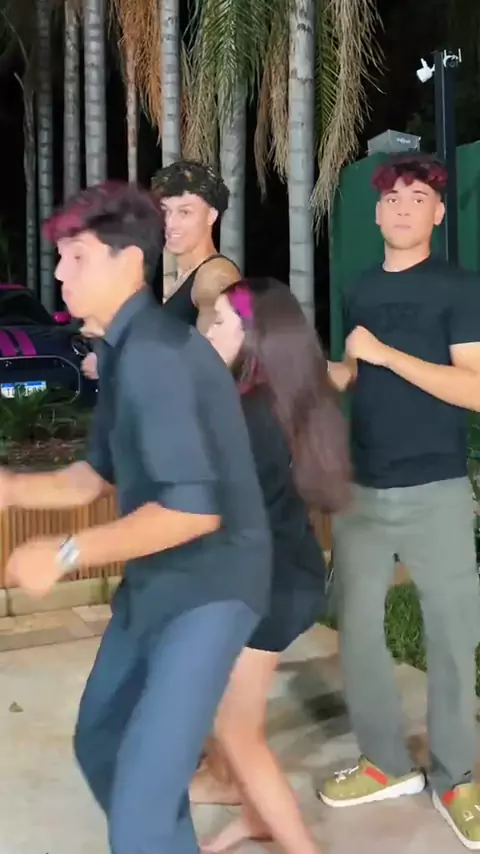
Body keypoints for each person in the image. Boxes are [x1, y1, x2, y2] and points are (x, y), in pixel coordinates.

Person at [3, 182, 272, 854]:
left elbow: (192, 512)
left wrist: (62, 554)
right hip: (159, 576)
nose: (59, 273)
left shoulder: (158, 353)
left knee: (142, 800)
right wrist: (10, 488)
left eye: (77, 256)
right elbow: (93, 476)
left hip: (212, 585)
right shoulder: (123, 352)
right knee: (102, 740)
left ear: (128, 261)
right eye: (60, 257)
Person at [319, 153, 480, 850]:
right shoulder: (358, 287)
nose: (404, 207)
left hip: (435, 486)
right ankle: (385, 762)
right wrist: (301, 370)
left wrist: (387, 355)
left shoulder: (460, 288)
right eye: (393, 198)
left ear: (438, 213)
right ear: (378, 212)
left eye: (419, 197)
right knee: (357, 631)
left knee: (451, 639)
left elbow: (475, 388)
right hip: (361, 486)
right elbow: (354, 375)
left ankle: (458, 778)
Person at [196, 278, 350, 853]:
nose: (208, 332)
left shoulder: (248, 415)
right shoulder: (281, 398)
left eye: (220, 323)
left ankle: (294, 841)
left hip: (268, 586)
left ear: (253, 335)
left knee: (240, 731)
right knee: (216, 699)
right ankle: (248, 810)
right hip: (282, 571)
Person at [82, 159, 240, 379]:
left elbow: (212, 368)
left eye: (185, 213)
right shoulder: (183, 276)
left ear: (211, 216)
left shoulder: (215, 276)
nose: (171, 223)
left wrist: (115, 364)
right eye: (165, 211)